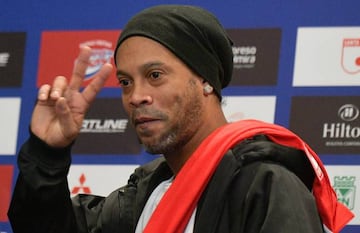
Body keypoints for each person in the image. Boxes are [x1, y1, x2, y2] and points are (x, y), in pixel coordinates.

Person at [8, 4, 353, 233]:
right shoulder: (145, 192)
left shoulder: (265, 184)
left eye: (155, 75)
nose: (136, 96)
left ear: (205, 80)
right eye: (126, 82)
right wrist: (48, 153)